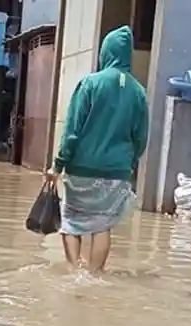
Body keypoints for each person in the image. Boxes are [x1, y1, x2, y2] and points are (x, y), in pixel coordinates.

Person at [45, 25, 149, 273]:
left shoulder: (90, 84)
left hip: (81, 168)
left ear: (106, 52)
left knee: (71, 222)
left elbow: (72, 130)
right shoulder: (138, 92)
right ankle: (95, 275)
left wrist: (58, 165)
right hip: (116, 172)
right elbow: (141, 137)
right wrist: (128, 163)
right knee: (102, 225)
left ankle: (74, 273)